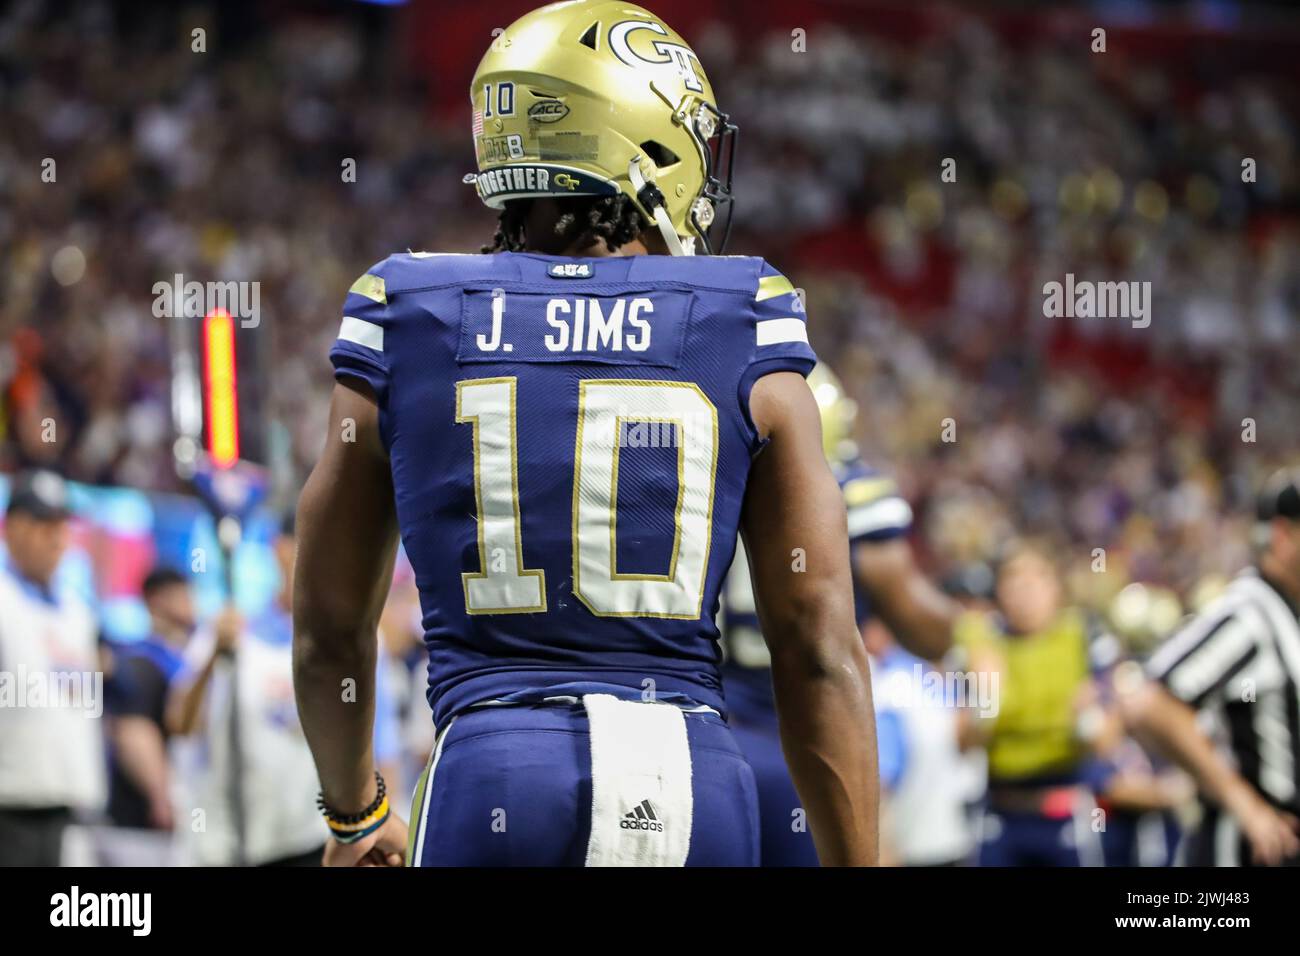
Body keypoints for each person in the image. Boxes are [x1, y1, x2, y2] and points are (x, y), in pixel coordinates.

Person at [293, 0, 877, 868]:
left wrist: (354, 815)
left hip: (494, 772)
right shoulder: (743, 317)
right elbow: (819, 645)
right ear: (643, 144)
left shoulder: (404, 311)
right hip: (691, 780)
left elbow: (330, 628)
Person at [719, 363, 959, 865]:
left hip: (718, 728)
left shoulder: (715, 484)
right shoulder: (853, 494)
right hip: (816, 727)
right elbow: (927, 631)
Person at [1123, 468, 1300, 866]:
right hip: (1252, 848)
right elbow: (1150, 704)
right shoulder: (1250, 615)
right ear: (1284, 537)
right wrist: (1246, 804)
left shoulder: (1287, 612)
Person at [166, 514, 328, 866]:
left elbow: (378, 750)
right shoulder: (231, 632)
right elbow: (180, 723)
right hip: (230, 841)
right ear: (280, 550)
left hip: (306, 840)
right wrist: (213, 657)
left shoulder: (340, 643)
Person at [959, 541, 1116, 866]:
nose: (1024, 591)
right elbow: (962, 743)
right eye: (1012, 579)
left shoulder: (1083, 636)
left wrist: (1089, 717)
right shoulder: (982, 641)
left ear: (1056, 585)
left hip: (1065, 811)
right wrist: (985, 701)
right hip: (1001, 813)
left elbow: (1107, 742)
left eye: (1036, 579)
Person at [0, 469, 105, 866]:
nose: (58, 538)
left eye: (62, 525)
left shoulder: (78, 614)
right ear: (12, 528)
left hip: (72, 810)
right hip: (11, 812)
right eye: (44, 524)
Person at [101, 567, 195, 865]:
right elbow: (132, 730)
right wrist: (161, 797)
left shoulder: (186, 659)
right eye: (181, 596)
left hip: (180, 819)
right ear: (156, 601)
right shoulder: (141, 661)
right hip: (144, 823)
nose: (191, 604)